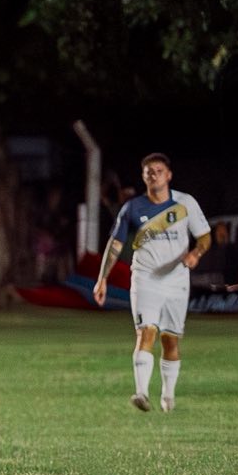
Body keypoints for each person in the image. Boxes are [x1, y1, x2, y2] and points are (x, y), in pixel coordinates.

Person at [93, 152, 209, 413]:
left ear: (168, 175)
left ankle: (168, 394)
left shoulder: (185, 204)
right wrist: (102, 279)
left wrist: (196, 254)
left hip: (177, 281)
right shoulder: (133, 208)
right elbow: (116, 244)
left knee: (170, 341)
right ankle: (141, 392)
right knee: (146, 332)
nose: (153, 174)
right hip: (145, 278)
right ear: (143, 177)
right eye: (148, 171)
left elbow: (204, 237)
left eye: (158, 170)